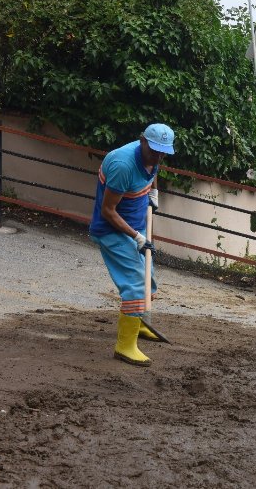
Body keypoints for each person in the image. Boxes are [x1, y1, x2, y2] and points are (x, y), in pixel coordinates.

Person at [89, 124, 175, 367]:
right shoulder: (122, 165)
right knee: (137, 284)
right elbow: (108, 211)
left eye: (163, 153)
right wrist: (136, 237)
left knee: (149, 278)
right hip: (112, 230)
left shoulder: (155, 156)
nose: (159, 157)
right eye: (155, 151)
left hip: (135, 226)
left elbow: (153, 168)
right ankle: (124, 347)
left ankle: (139, 323)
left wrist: (154, 193)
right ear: (142, 141)